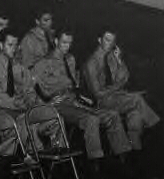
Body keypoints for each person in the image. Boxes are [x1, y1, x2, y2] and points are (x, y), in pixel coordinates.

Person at [32, 30, 131, 168]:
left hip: (73, 101)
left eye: (70, 43)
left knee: (112, 115)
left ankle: (123, 160)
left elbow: (73, 85)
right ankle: (95, 163)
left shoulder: (70, 60)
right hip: (57, 105)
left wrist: (80, 96)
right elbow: (32, 89)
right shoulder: (43, 63)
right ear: (55, 41)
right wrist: (47, 103)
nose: (67, 46)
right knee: (91, 119)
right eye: (64, 43)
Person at [83, 29, 160, 152]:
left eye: (113, 41)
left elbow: (125, 77)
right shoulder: (91, 64)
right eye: (107, 40)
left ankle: (133, 149)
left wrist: (119, 61)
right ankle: (156, 128)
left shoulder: (112, 58)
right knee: (136, 99)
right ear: (99, 40)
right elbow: (97, 93)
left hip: (117, 97)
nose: (110, 44)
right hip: (102, 102)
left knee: (136, 115)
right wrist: (117, 87)